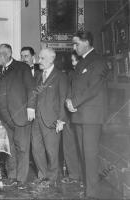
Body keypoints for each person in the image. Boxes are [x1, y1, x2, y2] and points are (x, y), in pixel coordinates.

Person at [66, 31, 108, 198]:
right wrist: (68, 100)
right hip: (80, 115)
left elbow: (93, 87)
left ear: (86, 42)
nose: (74, 48)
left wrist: (74, 103)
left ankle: (92, 193)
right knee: (84, 154)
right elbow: (73, 84)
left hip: (91, 116)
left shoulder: (98, 61)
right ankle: (88, 188)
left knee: (90, 155)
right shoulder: (83, 62)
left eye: (76, 44)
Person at [0, 44, 36, 189]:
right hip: (4, 117)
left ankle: (21, 179)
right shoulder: (0, 70)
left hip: (20, 115)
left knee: (22, 148)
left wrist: (31, 107)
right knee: (9, 148)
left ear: (6, 54)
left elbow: (31, 89)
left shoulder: (22, 68)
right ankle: (12, 176)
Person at [31, 48, 68, 189]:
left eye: (42, 58)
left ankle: (52, 178)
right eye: (39, 58)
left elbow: (63, 99)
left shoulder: (60, 76)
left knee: (52, 151)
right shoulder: (39, 75)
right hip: (36, 119)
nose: (38, 61)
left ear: (51, 59)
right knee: (36, 148)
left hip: (52, 120)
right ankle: (43, 175)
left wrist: (61, 119)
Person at [61, 50, 82, 185]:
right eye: (72, 61)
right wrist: (68, 101)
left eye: (76, 60)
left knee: (83, 147)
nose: (74, 64)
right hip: (69, 116)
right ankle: (73, 175)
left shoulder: (90, 73)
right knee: (68, 146)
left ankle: (85, 177)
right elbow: (66, 92)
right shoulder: (71, 74)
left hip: (84, 115)